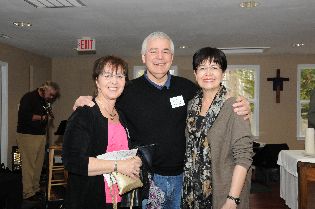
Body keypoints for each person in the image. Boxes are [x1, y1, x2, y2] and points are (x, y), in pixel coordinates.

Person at [73, 32, 251, 209]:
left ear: (172, 57)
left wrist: (242, 103)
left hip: (185, 180)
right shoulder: (126, 91)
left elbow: (214, 98)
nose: (160, 57)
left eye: (165, 51)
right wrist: (84, 100)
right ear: (143, 57)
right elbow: (106, 100)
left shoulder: (188, 89)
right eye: (153, 51)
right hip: (145, 180)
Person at [62, 56, 142, 209]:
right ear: (97, 81)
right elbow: (73, 161)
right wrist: (119, 165)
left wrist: (135, 160)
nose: (114, 81)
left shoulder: (121, 115)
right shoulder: (84, 114)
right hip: (91, 197)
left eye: (120, 76)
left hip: (120, 196)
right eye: (107, 75)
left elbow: (121, 150)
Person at [182, 47, 253, 209]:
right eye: (202, 68)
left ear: (223, 73)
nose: (208, 73)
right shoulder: (192, 105)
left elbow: (244, 156)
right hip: (192, 191)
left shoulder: (235, 106)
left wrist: (232, 199)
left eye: (214, 67)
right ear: (195, 73)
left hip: (224, 193)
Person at [16, 81, 60, 201]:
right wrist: (42, 117)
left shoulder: (44, 101)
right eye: (50, 94)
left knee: (39, 164)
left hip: (40, 135)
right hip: (27, 135)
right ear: (44, 89)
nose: (51, 98)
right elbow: (25, 116)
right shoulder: (29, 98)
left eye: (53, 96)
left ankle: (35, 189)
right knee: (29, 165)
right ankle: (28, 193)